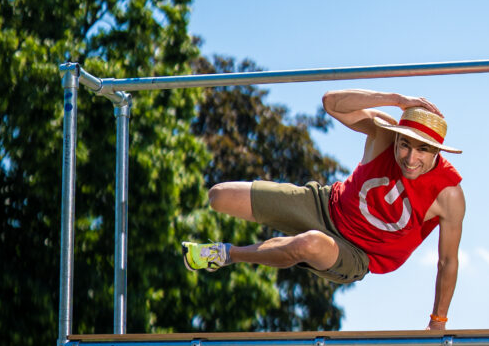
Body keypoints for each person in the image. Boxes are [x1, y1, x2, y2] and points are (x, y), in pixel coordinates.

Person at [182, 89, 465, 330]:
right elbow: (331, 103)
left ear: (437, 151)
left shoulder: (448, 194)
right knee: (218, 196)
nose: (410, 158)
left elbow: (447, 262)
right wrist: (396, 99)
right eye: (405, 145)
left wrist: (437, 321)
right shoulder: (383, 134)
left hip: (357, 253)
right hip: (324, 204)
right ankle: (232, 248)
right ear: (398, 138)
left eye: (422, 151)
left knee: (310, 244)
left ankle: (226, 254)